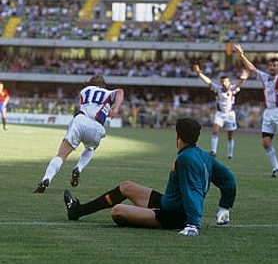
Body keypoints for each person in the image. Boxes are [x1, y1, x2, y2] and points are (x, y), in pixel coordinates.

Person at [63, 118, 236, 236]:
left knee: (117, 212)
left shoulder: (185, 158)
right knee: (126, 186)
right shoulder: (203, 155)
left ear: (178, 135)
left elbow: (192, 192)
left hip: (173, 216)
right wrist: (224, 207)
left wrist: (193, 224)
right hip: (168, 203)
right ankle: (78, 211)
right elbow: (228, 179)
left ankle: (155, 217)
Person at [34, 76, 124, 193]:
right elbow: (120, 91)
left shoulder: (84, 91)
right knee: (90, 148)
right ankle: (79, 168)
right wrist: (116, 108)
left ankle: (46, 179)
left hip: (80, 120)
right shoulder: (108, 92)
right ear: (103, 85)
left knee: (61, 155)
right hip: (97, 126)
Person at [234, 44, 278, 177]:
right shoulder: (264, 77)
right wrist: (241, 55)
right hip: (268, 112)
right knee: (265, 142)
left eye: (275, 66)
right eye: (270, 65)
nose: (272, 67)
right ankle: (276, 167)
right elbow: (251, 68)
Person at [194, 65, 248, 159]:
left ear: (229, 82)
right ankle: (213, 151)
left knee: (230, 135)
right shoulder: (217, 89)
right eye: (222, 82)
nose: (224, 83)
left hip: (230, 114)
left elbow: (239, 83)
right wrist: (199, 74)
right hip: (219, 113)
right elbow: (209, 81)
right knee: (215, 131)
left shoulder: (232, 89)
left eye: (226, 81)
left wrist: (243, 78)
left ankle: (230, 154)